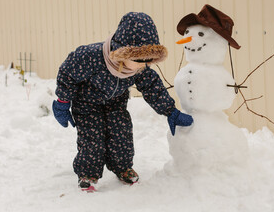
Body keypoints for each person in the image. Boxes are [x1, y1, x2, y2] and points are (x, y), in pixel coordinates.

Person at [52, 12, 193, 191]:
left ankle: (123, 168)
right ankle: (88, 173)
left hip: (115, 103)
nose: (143, 65)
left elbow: (153, 88)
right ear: (122, 53)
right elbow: (67, 73)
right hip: (87, 103)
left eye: (148, 60)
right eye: (139, 60)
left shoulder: (140, 68)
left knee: (121, 134)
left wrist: (170, 112)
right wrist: (62, 102)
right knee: (92, 138)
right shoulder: (91, 56)